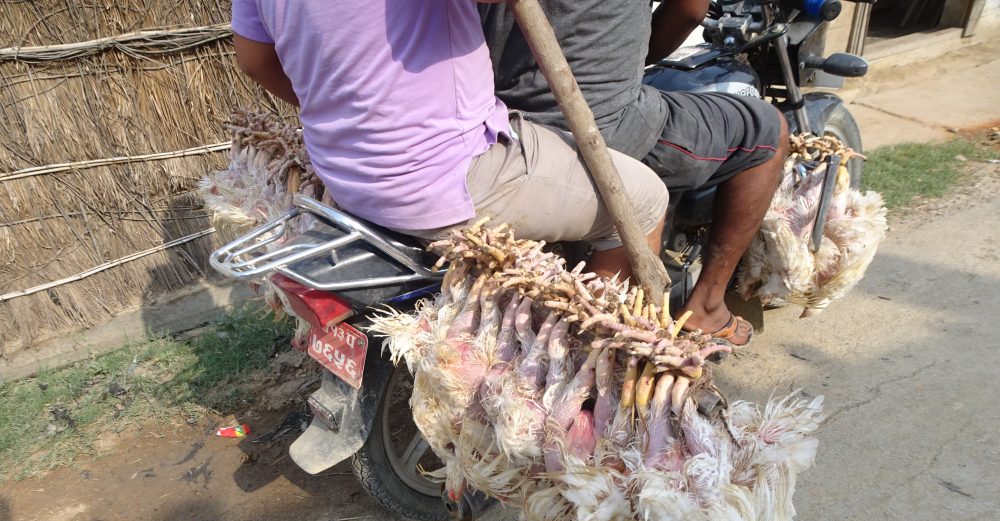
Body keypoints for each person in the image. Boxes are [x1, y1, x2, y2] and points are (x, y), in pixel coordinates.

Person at [230, 0, 668, 281]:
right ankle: (590, 371)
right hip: (446, 176)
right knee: (644, 200)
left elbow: (254, 60)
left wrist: (348, 110)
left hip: (346, 176)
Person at [480, 0, 790, 347]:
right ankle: (707, 306)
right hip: (602, 121)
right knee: (767, 127)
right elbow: (689, 11)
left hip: (496, 114)